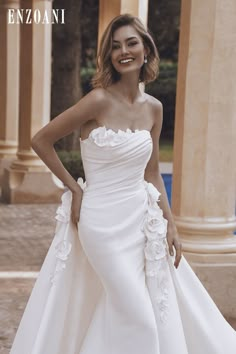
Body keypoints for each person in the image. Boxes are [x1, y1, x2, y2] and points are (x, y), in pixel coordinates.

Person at [10, 13, 236, 354]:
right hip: (100, 223)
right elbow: (41, 139)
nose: (123, 51)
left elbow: (152, 172)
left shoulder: (155, 109)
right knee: (137, 313)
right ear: (109, 56)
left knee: (120, 309)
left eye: (131, 43)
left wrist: (171, 225)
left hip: (140, 223)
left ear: (146, 49)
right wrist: (74, 189)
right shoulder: (98, 100)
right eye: (115, 46)